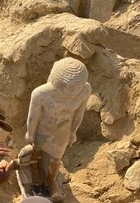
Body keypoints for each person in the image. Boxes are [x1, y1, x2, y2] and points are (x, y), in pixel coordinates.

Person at [25, 57, 92, 201]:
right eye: (72, 87)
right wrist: (30, 133)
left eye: (79, 86)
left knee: (55, 159)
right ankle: (35, 172)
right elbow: (33, 117)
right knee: (37, 151)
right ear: (59, 83)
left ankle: (50, 180)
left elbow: (79, 114)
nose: (76, 91)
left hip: (63, 131)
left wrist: (73, 132)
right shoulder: (41, 94)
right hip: (43, 129)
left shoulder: (85, 91)